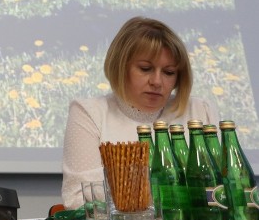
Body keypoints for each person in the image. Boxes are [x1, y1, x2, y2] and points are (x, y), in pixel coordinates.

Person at [61, 16, 219, 209]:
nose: (157, 82)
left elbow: (221, 192)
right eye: (145, 69)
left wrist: (127, 190)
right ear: (120, 66)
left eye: (169, 72)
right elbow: (77, 199)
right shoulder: (89, 112)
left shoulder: (200, 110)